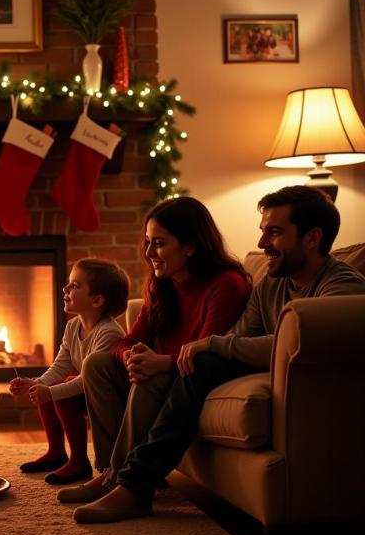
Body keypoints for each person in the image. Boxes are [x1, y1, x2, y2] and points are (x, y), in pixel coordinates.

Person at [73, 185, 365, 523]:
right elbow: (241, 336)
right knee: (118, 363)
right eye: (262, 232)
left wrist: (208, 346)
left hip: (302, 389)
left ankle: (132, 484)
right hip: (245, 366)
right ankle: (121, 478)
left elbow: (288, 342)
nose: (261, 244)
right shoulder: (272, 282)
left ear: (312, 237)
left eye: (274, 232)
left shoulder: (343, 288)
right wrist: (139, 356)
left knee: (198, 362)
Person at [58, 196, 250, 506]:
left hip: (191, 379)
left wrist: (160, 363)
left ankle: (121, 483)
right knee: (96, 364)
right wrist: (131, 358)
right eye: (147, 242)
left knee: (153, 378)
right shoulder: (163, 284)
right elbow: (126, 341)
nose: (149, 254)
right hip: (162, 370)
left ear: (190, 246)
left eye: (158, 243)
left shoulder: (226, 285)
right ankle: (109, 470)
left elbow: (204, 352)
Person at [9, 259, 129, 485]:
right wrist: (36, 383)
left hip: (111, 399)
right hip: (90, 392)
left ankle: (79, 462)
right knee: (53, 386)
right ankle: (56, 452)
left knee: (60, 390)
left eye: (75, 285)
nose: (65, 289)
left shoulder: (109, 333)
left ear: (97, 300)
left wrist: (50, 392)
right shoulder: (73, 326)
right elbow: (60, 365)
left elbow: (87, 381)